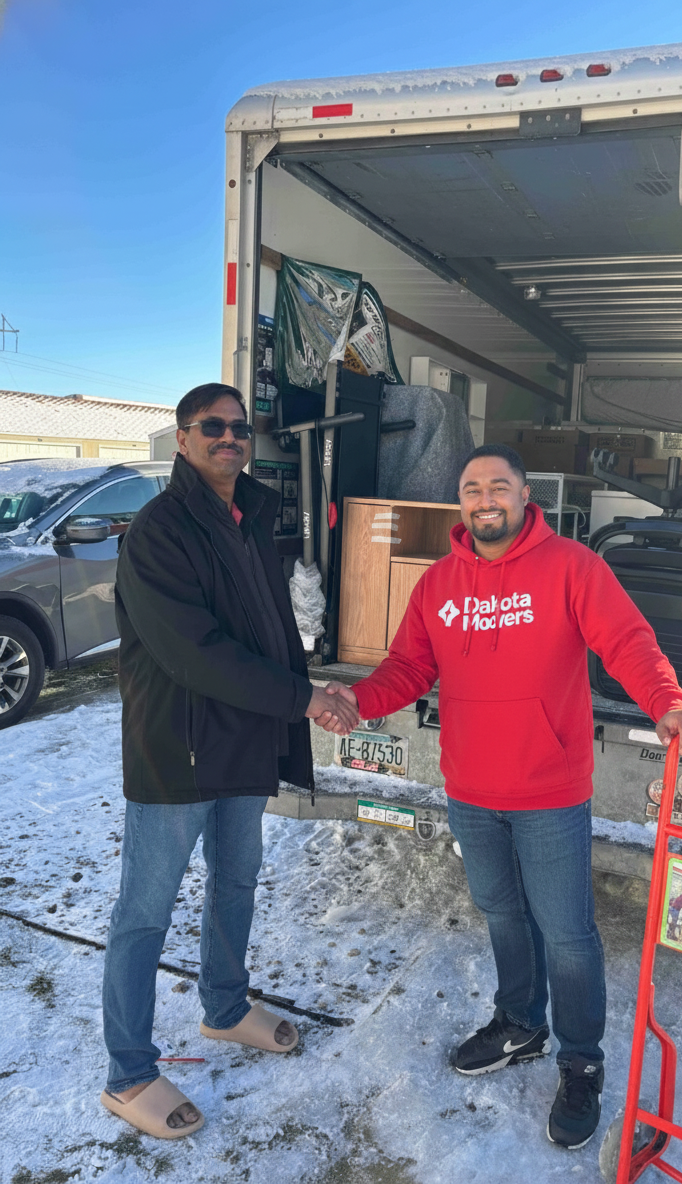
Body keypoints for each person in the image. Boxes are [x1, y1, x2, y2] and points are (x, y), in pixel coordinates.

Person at [324, 443, 682, 1150]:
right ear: (461, 501)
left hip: (549, 791)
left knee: (569, 936)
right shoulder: (438, 585)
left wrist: (667, 701)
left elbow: (628, 641)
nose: (485, 499)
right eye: (472, 487)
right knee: (503, 914)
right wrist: (355, 700)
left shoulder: (573, 568)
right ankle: (521, 1023)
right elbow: (408, 667)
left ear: (523, 494)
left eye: (498, 486)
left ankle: (581, 1061)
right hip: (471, 790)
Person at [100, 382, 358, 1140]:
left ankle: (223, 1006)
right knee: (143, 916)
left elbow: (268, 628)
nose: (228, 437)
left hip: (242, 740)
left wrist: (308, 680)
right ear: (181, 439)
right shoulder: (158, 531)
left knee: (236, 880)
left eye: (239, 427)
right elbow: (195, 653)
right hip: (176, 751)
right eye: (211, 426)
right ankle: (129, 1072)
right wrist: (301, 699)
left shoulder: (251, 517)